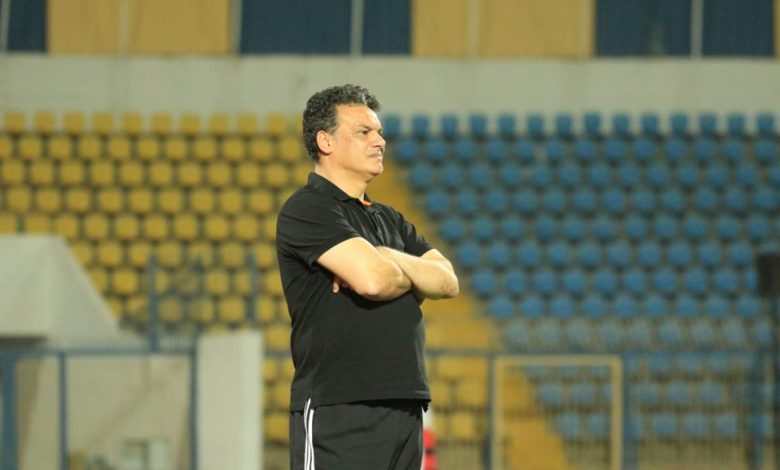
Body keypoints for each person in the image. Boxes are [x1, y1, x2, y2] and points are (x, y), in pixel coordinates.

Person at [276, 84, 459, 470]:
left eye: (379, 132)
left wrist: (386, 256)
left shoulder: (390, 218)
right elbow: (373, 281)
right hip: (341, 408)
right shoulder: (308, 208)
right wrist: (410, 275)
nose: (380, 141)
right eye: (364, 132)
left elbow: (446, 282)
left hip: (406, 406)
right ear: (325, 141)